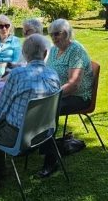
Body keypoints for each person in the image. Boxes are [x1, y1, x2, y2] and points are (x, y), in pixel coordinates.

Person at [0, 35, 61, 188]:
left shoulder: (17, 75)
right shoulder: (53, 74)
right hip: (44, 133)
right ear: (45, 53)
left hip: (19, 138)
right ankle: (1, 168)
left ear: (24, 54)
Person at [39, 19, 94, 177]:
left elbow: (73, 84)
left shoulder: (76, 50)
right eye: (51, 35)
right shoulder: (54, 50)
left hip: (78, 96)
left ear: (67, 33)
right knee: (34, 104)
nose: (54, 38)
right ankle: (48, 145)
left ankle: (51, 160)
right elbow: (47, 72)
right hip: (58, 93)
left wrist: (51, 96)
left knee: (49, 109)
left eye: (57, 34)